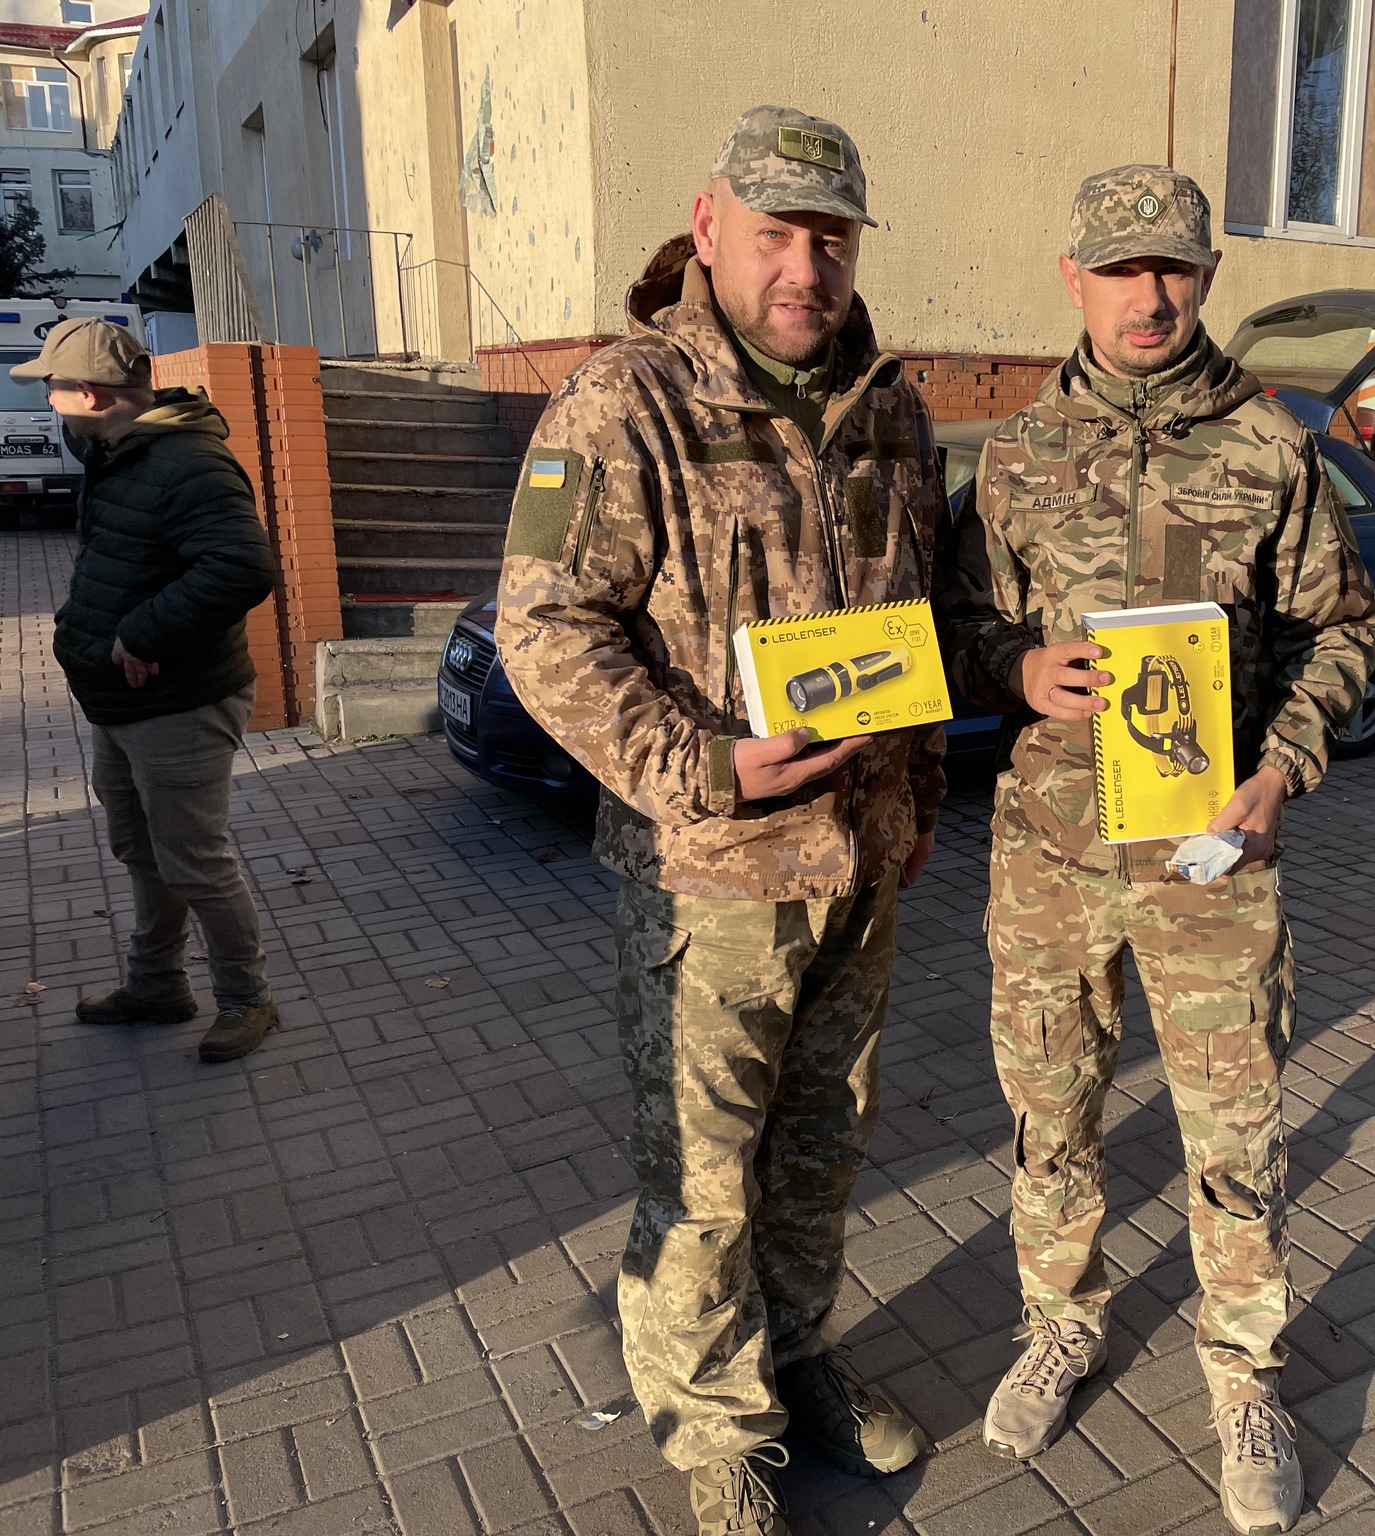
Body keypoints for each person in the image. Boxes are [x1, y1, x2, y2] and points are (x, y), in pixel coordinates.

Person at [493, 106, 944, 1536]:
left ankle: (798, 1360)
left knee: (820, 1147)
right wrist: (700, 765)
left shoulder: (891, 408)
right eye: (776, 234)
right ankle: (714, 1430)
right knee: (702, 1181)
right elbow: (544, 630)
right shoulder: (623, 403)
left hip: (859, 867)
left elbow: (921, 618)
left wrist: (920, 797)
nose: (806, 267)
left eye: (832, 237)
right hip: (712, 875)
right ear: (708, 227)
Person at [937, 165, 1375, 1536]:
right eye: (1122, 270)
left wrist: (1280, 769)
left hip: (1209, 862)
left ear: (1206, 277)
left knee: (1233, 1131)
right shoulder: (1014, 455)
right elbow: (956, 623)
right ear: (1072, 277)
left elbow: (1344, 631)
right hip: (1052, 857)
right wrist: (1018, 669)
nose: (1149, 296)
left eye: (1173, 268)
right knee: (1051, 1114)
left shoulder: (1269, 446)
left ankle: (1245, 1377)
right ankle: (1059, 1324)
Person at [18, 317, 282, 1062]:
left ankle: (248, 999)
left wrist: (142, 634)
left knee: (195, 858)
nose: (47, 402)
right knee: (140, 846)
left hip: (179, 701)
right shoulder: (116, 443)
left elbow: (241, 568)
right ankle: (158, 984)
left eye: (53, 388)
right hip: (121, 701)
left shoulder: (187, 464)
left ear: (93, 395)